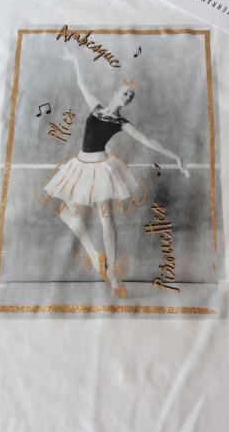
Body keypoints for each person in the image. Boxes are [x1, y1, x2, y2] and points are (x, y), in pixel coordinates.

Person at [36, 47, 190, 298]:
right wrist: (75, 61)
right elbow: (83, 85)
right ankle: (94, 254)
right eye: (126, 92)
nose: (128, 97)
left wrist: (176, 156)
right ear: (115, 93)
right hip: (80, 165)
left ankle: (112, 271)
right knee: (66, 213)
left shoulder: (121, 123)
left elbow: (147, 140)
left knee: (106, 217)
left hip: (101, 168)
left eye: (131, 97)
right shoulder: (95, 108)